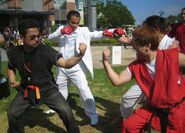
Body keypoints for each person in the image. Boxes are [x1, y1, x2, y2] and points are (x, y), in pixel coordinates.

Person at [6, 19, 87, 133]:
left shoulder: (46, 51)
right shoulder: (14, 53)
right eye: (32, 37)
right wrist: (12, 79)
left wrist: (80, 54)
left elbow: (66, 64)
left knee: (66, 112)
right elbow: (10, 66)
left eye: (38, 36)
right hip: (26, 89)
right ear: (21, 37)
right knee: (12, 113)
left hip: (48, 89)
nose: (36, 40)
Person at [47, 10, 125, 125]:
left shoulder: (84, 30)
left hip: (76, 67)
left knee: (84, 90)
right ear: (68, 20)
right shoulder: (61, 29)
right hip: (62, 65)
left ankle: (93, 114)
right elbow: (50, 38)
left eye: (77, 23)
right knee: (60, 89)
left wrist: (113, 31)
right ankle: (57, 107)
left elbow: (97, 34)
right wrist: (62, 32)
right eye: (73, 22)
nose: (75, 25)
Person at [103, 25, 185, 132]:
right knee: (129, 126)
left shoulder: (171, 57)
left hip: (176, 109)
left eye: (135, 45)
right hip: (152, 107)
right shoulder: (136, 66)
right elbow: (117, 80)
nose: (133, 47)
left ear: (147, 46)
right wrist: (105, 62)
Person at [119, 15, 179, 120]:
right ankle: (127, 119)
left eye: (146, 30)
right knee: (127, 98)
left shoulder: (172, 44)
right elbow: (131, 41)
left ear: (155, 30)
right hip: (147, 80)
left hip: (166, 86)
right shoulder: (148, 41)